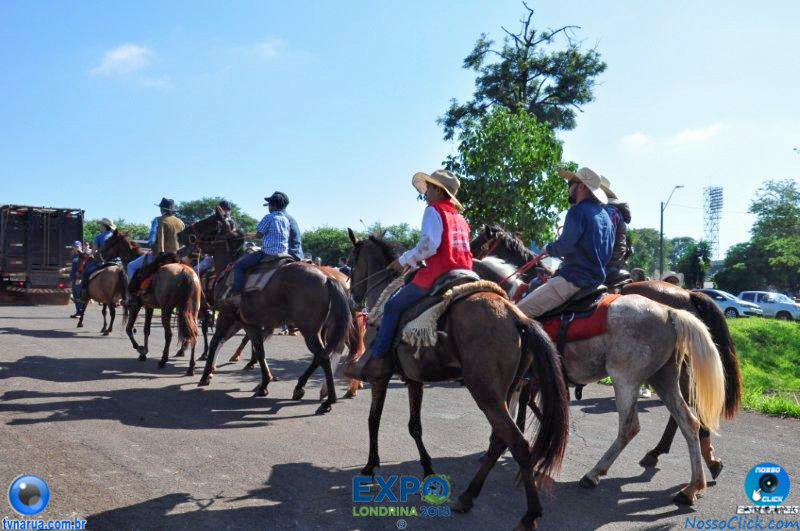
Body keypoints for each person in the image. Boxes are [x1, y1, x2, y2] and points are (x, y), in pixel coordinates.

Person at [345, 169, 473, 383]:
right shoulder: (460, 218)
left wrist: (403, 260)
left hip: (440, 274)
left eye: (429, 188)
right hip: (467, 274)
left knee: (392, 307)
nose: (426, 193)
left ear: (439, 190)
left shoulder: (434, 210)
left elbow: (429, 245)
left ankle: (377, 360)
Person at [517, 167, 614, 318]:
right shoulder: (607, 217)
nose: (569, 187)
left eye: (571, 184)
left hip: (572, 280)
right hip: (596, 281)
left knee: (516, 313)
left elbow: (565, 246)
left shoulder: (577, 211)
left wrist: (548, 248)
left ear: (581, 187)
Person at [228, 191, 292, 305]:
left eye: (269, 204)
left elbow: (259, 235)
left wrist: (245, 234)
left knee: (239, 266)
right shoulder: (286, 219)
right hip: (284, 253)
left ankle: (237, 295)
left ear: (272, 205)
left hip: (268, 253)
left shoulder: (269, 217)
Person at [127, 198, 185, 292]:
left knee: (131, 266)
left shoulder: (157, 220)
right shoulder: (181, 222)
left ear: (162, 209)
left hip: (160, 256)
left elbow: (151, 241)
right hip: (178, 256)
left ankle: (131, 294)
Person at [599, 177, 632, 280]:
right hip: (612, 265)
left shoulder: (608, 211)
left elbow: (603, 242)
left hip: (606, 267)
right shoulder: (612, 210)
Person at [80, 218, 117, 298]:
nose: (99, 226)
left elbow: (93, 252)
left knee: (86, 272)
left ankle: (84, 293)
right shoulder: (115, 236)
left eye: (100, 225)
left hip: (102, 262)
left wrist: (90, 253)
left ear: (104, 226)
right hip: (116, 262)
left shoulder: (99, 237)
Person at [69, 241, 86, 317]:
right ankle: (78, 311)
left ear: (81, 246)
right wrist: (66, 269)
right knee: (76, 296)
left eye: (77, 246)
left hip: (79, 279)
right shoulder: (75, 256)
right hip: (74, 279)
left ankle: (81, 312)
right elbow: (74, 267)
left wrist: (79, 277)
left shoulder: (82, 255)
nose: (76, 248)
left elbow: (83, 267)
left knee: (79, 296)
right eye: (75, 246)